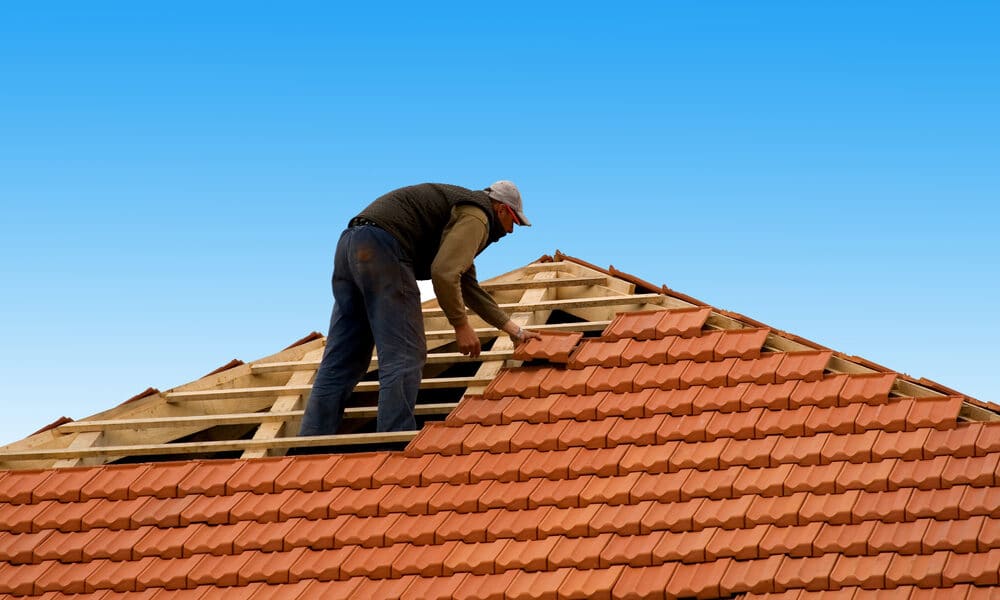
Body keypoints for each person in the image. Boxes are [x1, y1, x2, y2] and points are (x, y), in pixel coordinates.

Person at [299, 181, 542, 435]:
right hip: (385, 248)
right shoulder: (478, 216)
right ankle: (392, 440)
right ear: (501, 210)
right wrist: (461, 325)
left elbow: (466, 284)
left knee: (343, 359)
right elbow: (444, 274)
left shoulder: (459, 213)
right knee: (405, 354)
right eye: (513, 221)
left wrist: (515, 331)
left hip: (351, 244)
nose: (511, 231)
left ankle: (309, 443)